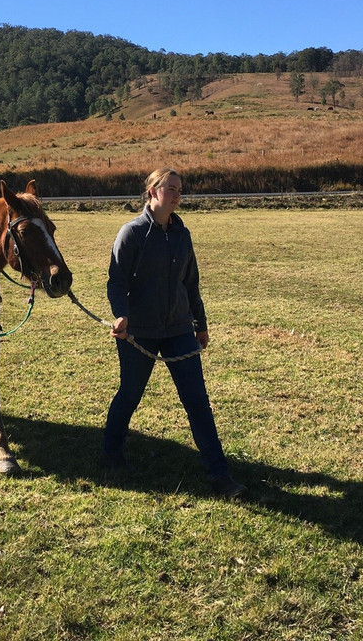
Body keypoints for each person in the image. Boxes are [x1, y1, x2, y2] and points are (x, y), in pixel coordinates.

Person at [101, 168, 247, 499]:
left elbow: (191, 284)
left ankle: (220, 475)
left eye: (180, 190)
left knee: (197, 401)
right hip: (139, 332)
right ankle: (110, 452)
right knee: (130, 394)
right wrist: (121, 316)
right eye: (171, 189)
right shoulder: (132, 233)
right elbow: (117, 281)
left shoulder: (183, 235)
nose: (178, 195)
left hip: (179, 329)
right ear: (152, 191)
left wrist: (201, 324)